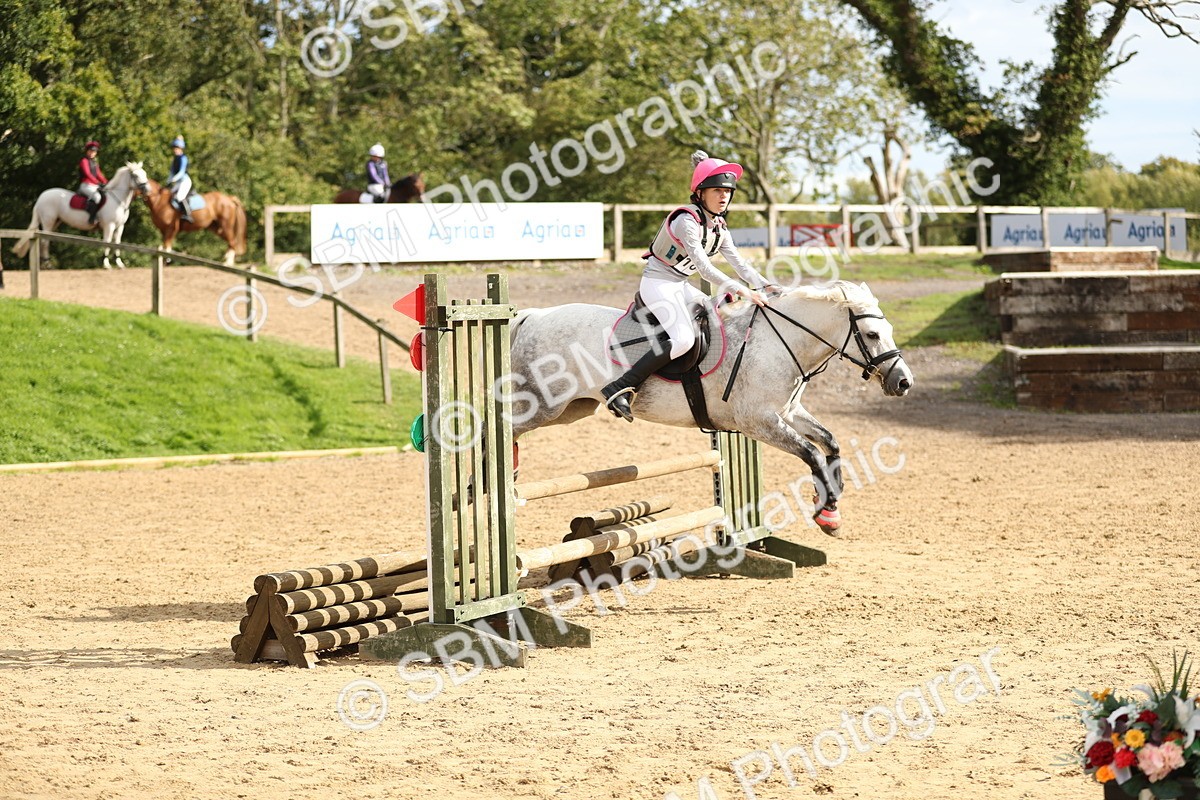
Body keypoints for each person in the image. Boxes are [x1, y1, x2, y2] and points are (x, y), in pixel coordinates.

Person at [600, 150, 780, 422]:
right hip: (658, 283)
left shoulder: (719, 227)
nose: (724, 197)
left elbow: (741, 265)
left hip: (679, 284)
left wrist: (768, 286)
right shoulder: (687, 221)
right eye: (717, 190)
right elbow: (705, 269)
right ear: (700, 193)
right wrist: (742, 289)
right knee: (683, 338)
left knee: (720, 313)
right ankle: (622, 387)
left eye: (728, 192)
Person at [78, 141, 107, 225]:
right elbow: (87, 174)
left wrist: (106, 182)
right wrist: (97, 182)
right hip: (85, 185)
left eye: (94, 151)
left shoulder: (95, 163)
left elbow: (99, 174)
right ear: (87, 151)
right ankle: (92, 218)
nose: (92, 153)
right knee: (97, 197)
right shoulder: (84, 161)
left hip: (94, 186)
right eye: (90, 151)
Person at [166, 136, 194, 223]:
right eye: (174, 148)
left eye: (177, 148)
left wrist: (173, 180)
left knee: (179, 197)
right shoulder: (174, 159)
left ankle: (187, 214)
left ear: (181, 149)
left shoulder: (183, 158)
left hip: (185, 181)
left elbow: (181, 172)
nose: (175, 150)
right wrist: (168, 181)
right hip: (178, 182)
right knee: (170, 195)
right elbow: (171, 172)